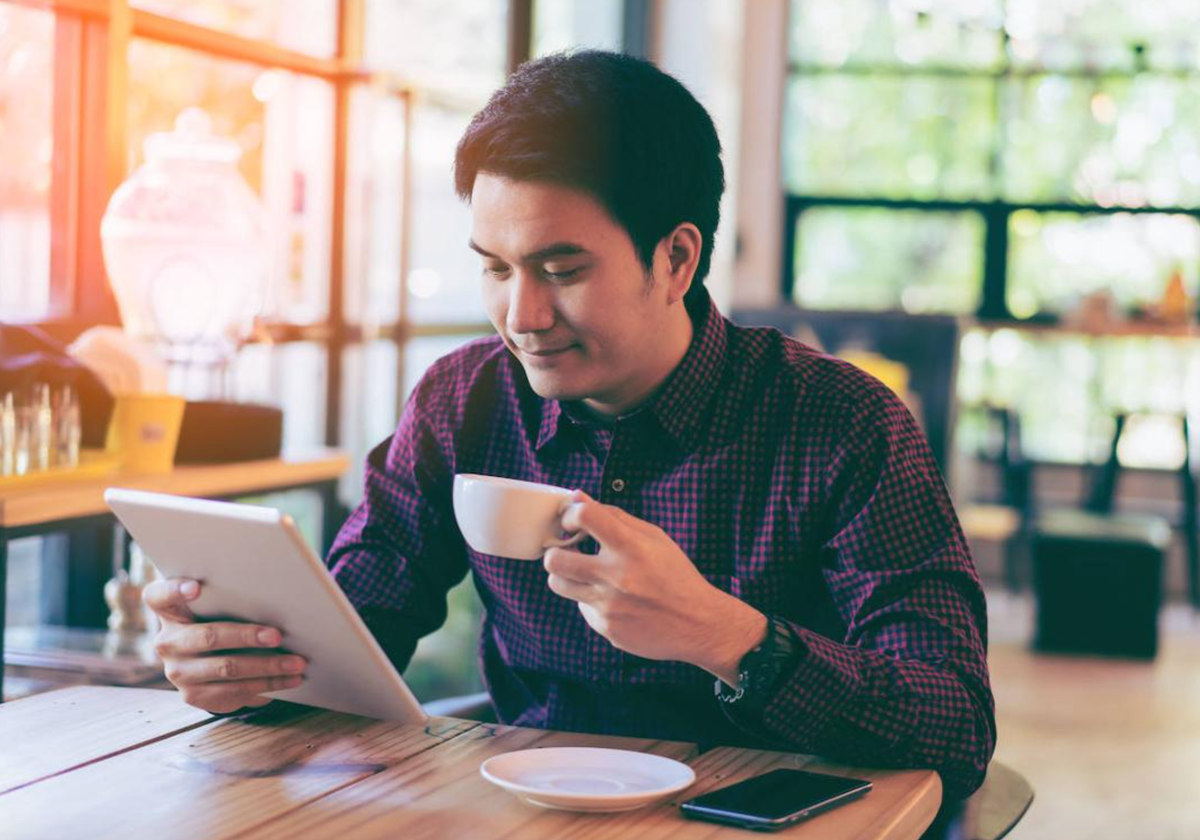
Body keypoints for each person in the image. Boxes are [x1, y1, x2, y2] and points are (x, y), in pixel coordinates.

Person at [145, 50, 995, 799]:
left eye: (561, 269)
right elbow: (360, 627)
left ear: (676, 258)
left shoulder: (843, 425)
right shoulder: (462, 401)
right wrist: (242, 663)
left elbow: (953, 727)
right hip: (523, 812)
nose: (521, 315)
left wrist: (721, 632)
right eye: (495, 269)